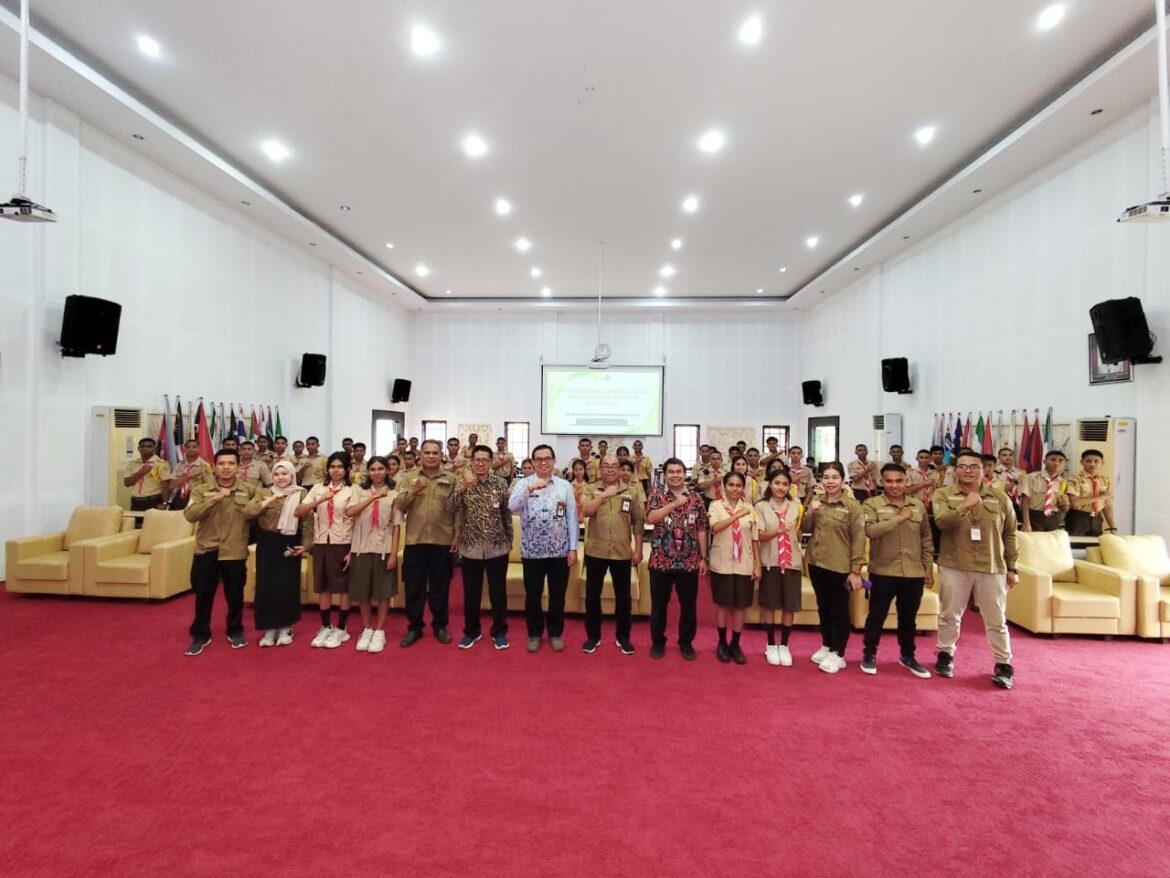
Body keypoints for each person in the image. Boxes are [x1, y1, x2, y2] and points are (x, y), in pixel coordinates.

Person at [932, 448, 1019, 689]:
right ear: (955, 470)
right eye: (962, 467)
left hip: (991, 566)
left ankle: (1003, 663)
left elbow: (1010, 533)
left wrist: (1013, 567)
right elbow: (942, 523)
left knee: (996, 619)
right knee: (950, 615)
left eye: (973, 467)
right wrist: (965, 507)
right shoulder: (943, 495)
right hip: (955, 564)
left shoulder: (1000, 498)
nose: (967, 471)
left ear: (985, 470)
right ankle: (945, 654)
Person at [182, 448, 261, 655]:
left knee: (235, 595)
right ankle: (200, 634)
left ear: (237, 466)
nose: (226, 468)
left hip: (234, 550)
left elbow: (257, 515)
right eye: (222, 464)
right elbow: (190, 515)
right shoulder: (201, 490)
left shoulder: (249, 489)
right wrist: (214, 499)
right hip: (207, 549)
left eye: (231, 463)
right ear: (215, 467)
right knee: (203, 595)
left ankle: (235, 630)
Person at [859, 464, 933, 678]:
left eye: (899, 481)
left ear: (906, 482)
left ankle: (907, 655)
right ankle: (869, 653)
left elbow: (926, 540)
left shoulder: (917, 506)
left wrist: (927, 568)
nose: (894, 485)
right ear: (881, 482)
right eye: (889, 481)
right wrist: (899, 518)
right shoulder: (871, 504)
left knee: (908, 618)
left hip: (913, 572)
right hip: (883, 570)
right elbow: (871, 531)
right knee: (876, 615)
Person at [508, 444, 578, 653]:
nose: (543, 462)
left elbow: (572, 517)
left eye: (547, 458)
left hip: (559, 550)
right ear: (532, 462)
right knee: (533, 595)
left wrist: (573, 548)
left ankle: (555, 633)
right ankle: (535, 633)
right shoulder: (523, 484)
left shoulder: (565, 486)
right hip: (532, 551)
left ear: (554, 461)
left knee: (557, 595)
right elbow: (511, 507)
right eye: (538, 459)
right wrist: (529, 490)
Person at [395, 439, 461, 645]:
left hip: (442, 541)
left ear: (441, 455)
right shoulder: (408, 478)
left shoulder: (451, 479)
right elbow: (400, 505)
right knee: (414, 588)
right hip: (416, 541)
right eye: (427, 452)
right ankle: (414, 627)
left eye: (434, 452)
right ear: (420, 456)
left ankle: (440, 626)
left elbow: (458, 508)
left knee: (440, 588)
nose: (431, 456)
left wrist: (457, 534)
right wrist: (414, 490)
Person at [801, 462, 865, 674]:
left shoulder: (852, 507)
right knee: (824, 607)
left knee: (839, 611)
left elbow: (858, 539)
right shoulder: (818, 502)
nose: (830, 481)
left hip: (839, 566)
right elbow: (805, 529)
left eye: (834, 477)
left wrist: (856, 570)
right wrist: (810, 511)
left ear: (842, 479)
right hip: (817, 563)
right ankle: (827, 645)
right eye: (826, 477)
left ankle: (838, 653)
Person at [448, 445, 513, 650]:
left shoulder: (500, 483)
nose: (481, 463)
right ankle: (471, 632)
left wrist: (509, 539)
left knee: (498, 593)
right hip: (471, 547)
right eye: (477, 460)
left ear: (491, 462)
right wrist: (463, 488)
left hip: (497, 547)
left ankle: (499, 632)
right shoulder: (463, 483)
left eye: (485, 460)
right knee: (471, 593)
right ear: (472, 461)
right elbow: (451, 507)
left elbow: (506, 514)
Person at [580, 454, 645, 655]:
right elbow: (587, 512)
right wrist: (603, 495)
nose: (610, 470)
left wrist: (640, 549)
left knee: (623, 597)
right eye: (606, 466)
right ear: (600, 470)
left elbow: (638, 521)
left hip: (622, 551)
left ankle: (623, 637)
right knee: (592, 596)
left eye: (614, 466)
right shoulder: (590, 489)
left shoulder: (631, 491)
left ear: (620, 470)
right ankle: (593, 636)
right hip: (596, 551)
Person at [645, 458, 709, 660]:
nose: (675, 475)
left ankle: (686, 642)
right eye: (671, 471)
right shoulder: (656, 494)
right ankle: (657, 641)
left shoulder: (696, 497)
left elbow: (701, 528)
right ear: (665, 475)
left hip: (689, 561)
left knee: (688, 605)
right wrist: (673, 504)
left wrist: (703, 557)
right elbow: (651, 518)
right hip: (661, 560)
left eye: (679, 471)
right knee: (658, 605)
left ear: (685, 473)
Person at [343, 456, 402, 654]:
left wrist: (394, 553)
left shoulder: (394, 494)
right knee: (362, 592)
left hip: (383, 548)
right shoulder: (358, 491)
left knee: (383, 592)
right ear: (368, 471)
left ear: (387, 471)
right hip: (360, 547)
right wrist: (373, 498)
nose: (377, 472)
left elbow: (396, 527)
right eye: (373, 469)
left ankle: (379, 630)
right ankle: (367, 628)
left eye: (381, 469)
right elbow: (350, 512)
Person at [298, 452, 355, 648]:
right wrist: (319, 500)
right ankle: (325, 626)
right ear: (327, 469)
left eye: (340, 466)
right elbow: (299, 511)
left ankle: (341, 628)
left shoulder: (353, 490)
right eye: (332, 466)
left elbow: (358, 522)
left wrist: (353, 550)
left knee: (344, 587)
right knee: (323, 586)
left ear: (347, 469)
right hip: (321, 541)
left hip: (343, 541)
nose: (336, 470)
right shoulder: (317, 488)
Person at [707, 472, 760, 664]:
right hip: (722, 562)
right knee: (723, 603)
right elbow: (715, 527)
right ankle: (721, 643)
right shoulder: (716, 505)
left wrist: (758, 565)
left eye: (739, 485)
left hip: (744, 562)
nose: (735, 489)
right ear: (724, 486)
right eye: (731, 485)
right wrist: (736, 516)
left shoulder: (750, 508)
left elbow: (755, 539)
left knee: (740, 605)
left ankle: (735, 643)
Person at [252, 460, 305, 648]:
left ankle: (286, 627)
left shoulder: (300, 493)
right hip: (266, 542)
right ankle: (268, 629)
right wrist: (268, 501)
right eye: (277, 474)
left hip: (289, 542)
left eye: (285, 474)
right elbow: (248, 512)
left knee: (286, 584)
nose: (280, 478)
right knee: (266, 585)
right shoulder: (263, 492)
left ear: (292, 475)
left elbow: (308, 522)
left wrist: (307, 545)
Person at [754, 468, 803, 666]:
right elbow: (758, 535)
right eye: (777, 483)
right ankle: (771, 644)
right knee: (770, 604)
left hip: (792, 562)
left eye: (784, 484)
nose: (780, 487)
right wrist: (777, 530)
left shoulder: (795, 506)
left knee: (789, 604)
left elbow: (799, 533)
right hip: (770, 560)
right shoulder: (761, 506)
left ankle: (784, 644)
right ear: (770, 485)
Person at [1020, 450, 1070, 532]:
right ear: (1044, 461)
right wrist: (1026, 522)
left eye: (1060, 461)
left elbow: (1064, 507)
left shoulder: (1063, 482)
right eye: (1053, 460)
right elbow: (1024, 501)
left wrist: (1065, 504)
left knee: (1051, 543)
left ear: (1064, 464)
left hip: (1054, 517)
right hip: (1035, 516)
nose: (1057, 463)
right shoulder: (1032, 477)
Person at [123, 437, 171, 521]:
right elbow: (127, 483)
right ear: (139, 448)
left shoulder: (161, 464)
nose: (146, 448)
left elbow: (165, 486)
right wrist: (141, 472)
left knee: (152, 528)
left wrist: (164, 503)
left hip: (153, 501)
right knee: (136, 527)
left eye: (149, 446)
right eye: (143, 446)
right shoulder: (133, 464)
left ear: (154, 448)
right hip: (136, 502)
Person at [169, 439, 212, 511]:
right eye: (188, 447)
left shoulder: (204, 466)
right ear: (184, 450)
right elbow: (171, 486)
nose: (191, 449)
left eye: (194, 447)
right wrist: (187, 476)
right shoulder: (180, 465)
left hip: (196, 497)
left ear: (199, 449)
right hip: (180, 497)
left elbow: (209, 486)